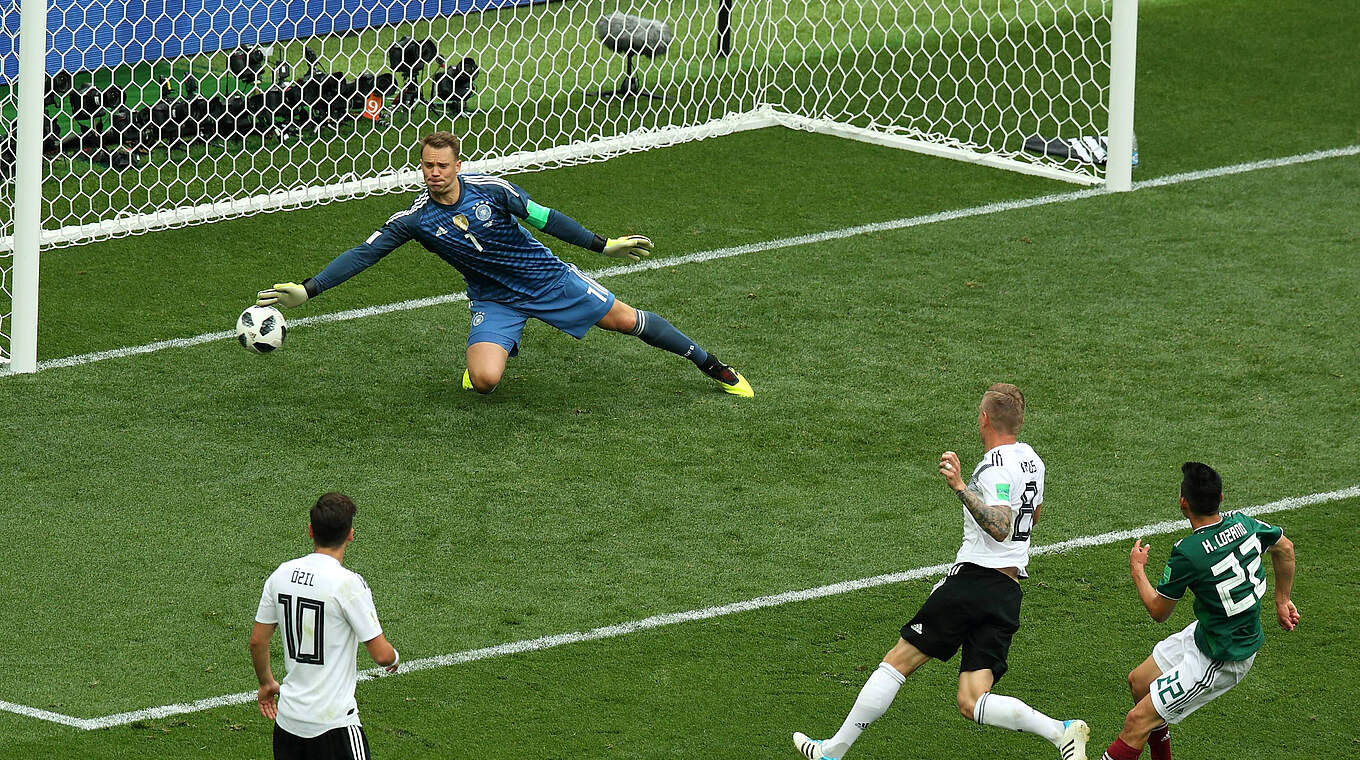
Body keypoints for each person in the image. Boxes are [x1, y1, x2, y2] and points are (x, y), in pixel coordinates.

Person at [256, 130, 752, 398]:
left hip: (549, 280)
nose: (434, 173)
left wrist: (603, 246)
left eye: (442, 165)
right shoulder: (414, 220)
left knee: (624, 320)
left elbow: (546, 219)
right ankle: (500, 345)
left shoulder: (495, 191)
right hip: (494, 299)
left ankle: (712, 366)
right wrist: (310, 289)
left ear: (456, 164)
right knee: (485, 381)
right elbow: (364, 254)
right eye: (427, 165)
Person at [793, 383, 1088, 760]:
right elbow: (1032, 517)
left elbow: (1001, 524)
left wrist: (962, 487)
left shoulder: (996, 466)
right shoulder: (1033, 460)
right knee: (972, 700)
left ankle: (832, 751)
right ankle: (1060, 732)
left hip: (974, 581)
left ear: (984, 419)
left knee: (897, 662)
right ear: (1020, 421)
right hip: (1007, 591)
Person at [1097, 462, 1298, 760]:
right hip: (1210, 631)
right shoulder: (1245, 524)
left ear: (1183, 503)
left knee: (1136, 721)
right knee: (1140, 683)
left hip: (1223, 656)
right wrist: (1282, 600)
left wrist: (1137, 569)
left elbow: (1158, 611)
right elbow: (1285, 548)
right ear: (1220, 499)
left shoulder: (1189, 552)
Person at [250, 492, 401, 759]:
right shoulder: (348, 584)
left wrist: (266, 683)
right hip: (334, 726)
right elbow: (381, 655)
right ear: (350, 534)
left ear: (310, 531)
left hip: (288, 724)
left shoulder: (281, 575)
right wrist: (395, 657)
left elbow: (258, 641)